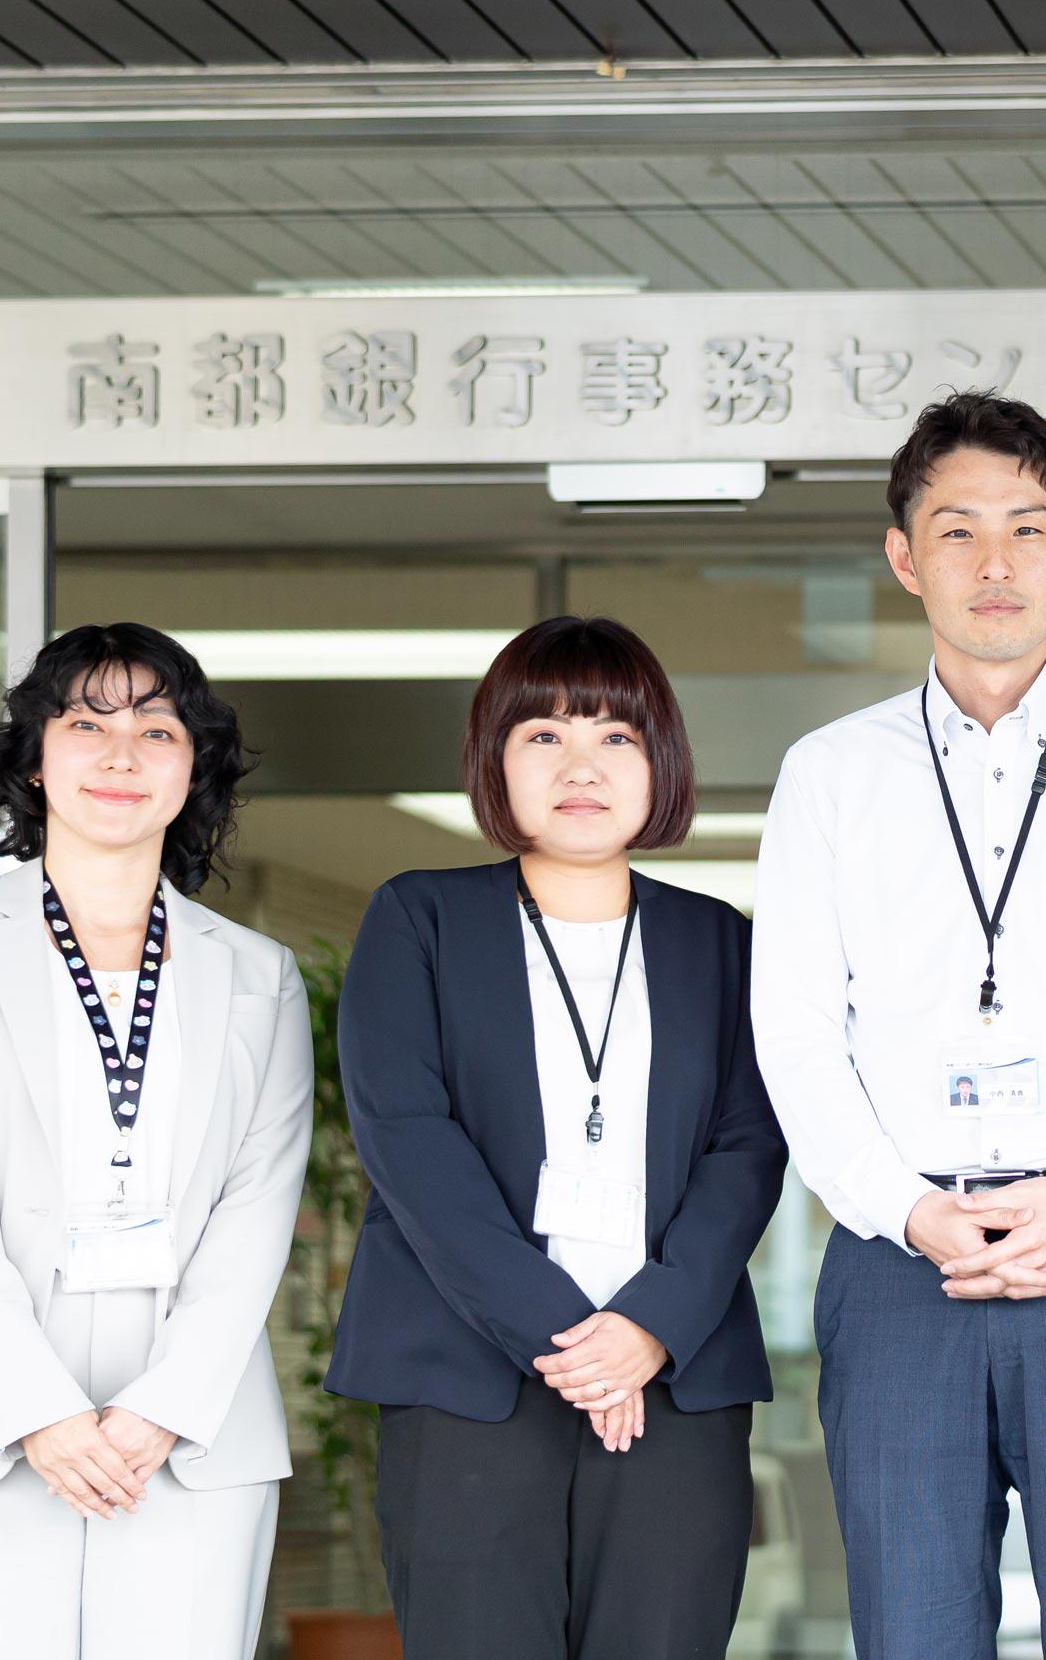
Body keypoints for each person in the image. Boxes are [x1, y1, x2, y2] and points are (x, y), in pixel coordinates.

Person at [750, 391, 1046, 1660]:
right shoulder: (831, 773)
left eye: (1026, 528)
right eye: (956, 531)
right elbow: (794, 1032)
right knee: (910, 1633)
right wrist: (905, 1208)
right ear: (903, 557)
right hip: (899, 1260)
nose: (994, 563)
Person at [0, 623, 313, 1660]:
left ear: (193, 771)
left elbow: (258, 1207)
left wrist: (163, 1411)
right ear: (33, 759)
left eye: (157, 731)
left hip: (187, 1441)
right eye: (86, 724)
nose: (120, 755)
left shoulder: (257, 974)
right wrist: (34, 1411)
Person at [331, 616, 786, 1660]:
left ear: (659, 761)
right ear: (494, 759)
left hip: (674, 1382)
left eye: (615, 737)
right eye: (544, 735)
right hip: (467, 1384)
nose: (581, 767)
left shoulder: (720, 941)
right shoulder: (419, 920)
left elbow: (748, 1147)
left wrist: (648, 1328)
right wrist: (572, 1344)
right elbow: (410, 1142)